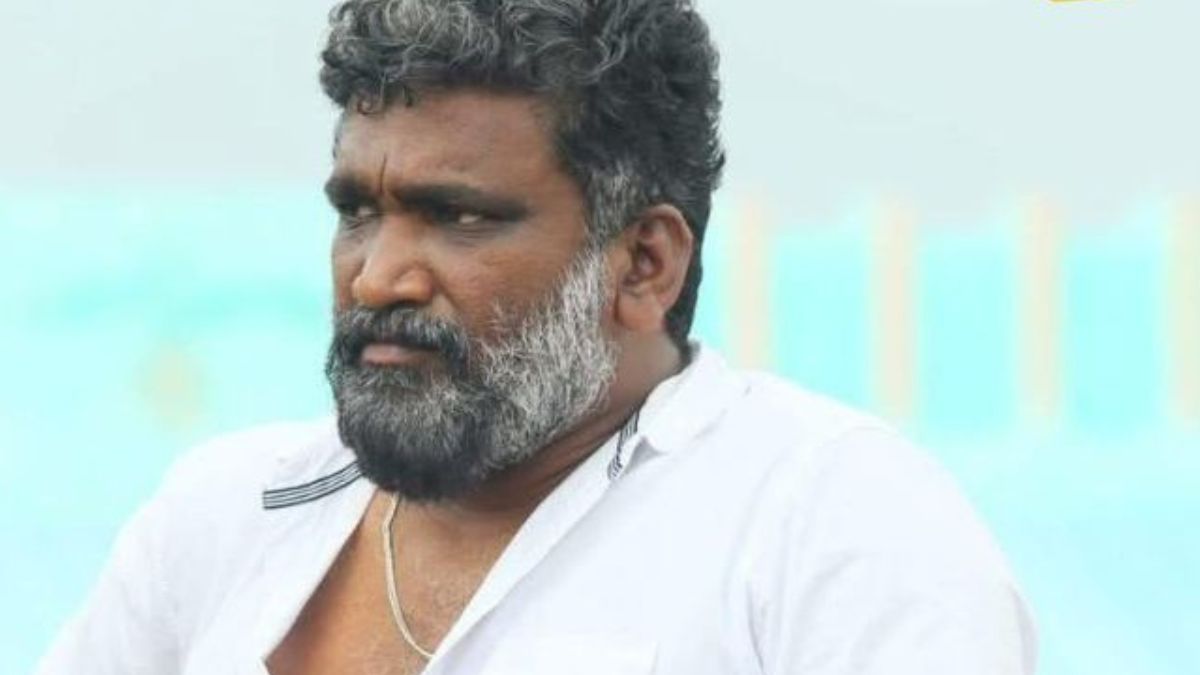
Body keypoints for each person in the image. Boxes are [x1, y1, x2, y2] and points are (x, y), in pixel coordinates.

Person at [38, 0, 1036, 673]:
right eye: (358, 211)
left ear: (643, 263)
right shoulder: (224, 513)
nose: (378, 275)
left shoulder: (830, 525)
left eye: (458, 216)